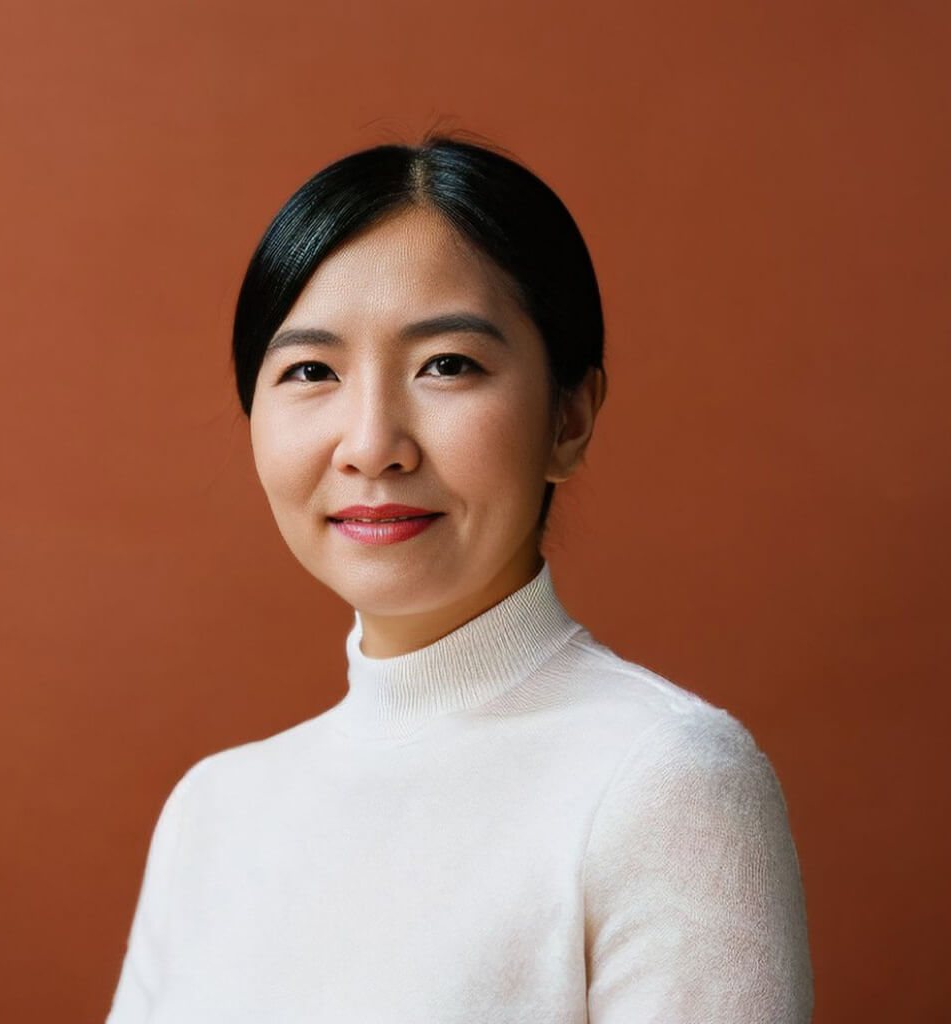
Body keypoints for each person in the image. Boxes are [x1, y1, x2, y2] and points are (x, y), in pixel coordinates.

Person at [106, 134, 813, 1023]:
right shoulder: (213, 813)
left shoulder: (664, 780)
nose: (372, 445)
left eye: (447, 364)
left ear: (569, 417)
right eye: (311, 371)